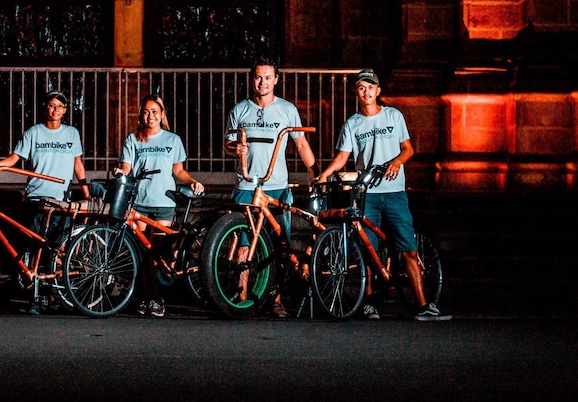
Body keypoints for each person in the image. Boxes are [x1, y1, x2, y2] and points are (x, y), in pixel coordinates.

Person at [317, 69, 452, 321]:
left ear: (378, 91)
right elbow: (342, 157)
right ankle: (369, 304)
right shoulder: (352, 124)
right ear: (356, 92)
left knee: (408, 249)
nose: (366, 91)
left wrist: (397, 162)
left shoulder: (394, 116)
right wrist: (324, 175)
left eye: (371, 87)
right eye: (361, 87)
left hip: (395, 192)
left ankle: (423, 305)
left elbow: (408, 149)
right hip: (367, 194)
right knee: (368, 250)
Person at [0, 90, 90, 313]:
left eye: (60, 106)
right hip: (36, 199)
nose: (55, 109)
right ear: (45, 108)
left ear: (66, 110)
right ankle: (35, 298)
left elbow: (78, 165)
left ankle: (54, 296)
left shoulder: (71, 133)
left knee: (57, 251)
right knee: (33, 249)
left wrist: (86, 193)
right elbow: (14, 159)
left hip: (60, 201)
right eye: (51, 105)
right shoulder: (33, 133)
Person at [225, 57, 318, 317]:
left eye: (267, 77)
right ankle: (242, 299)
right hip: (247, 186)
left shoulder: (287, 110)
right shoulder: (240, 109)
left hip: (277, 187)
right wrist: (236, 148)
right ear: (251, 79)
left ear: (276, 79)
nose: (262, 82)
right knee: (244, 245)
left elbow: (301, 145)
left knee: (279, 245)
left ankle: (275, 299)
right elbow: (228, 144)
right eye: (258, 77)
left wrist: (316, 174)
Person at [114, 94, 204, 317]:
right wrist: (120, 172)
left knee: (157, 253)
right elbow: (127, 167)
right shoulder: (133, 139)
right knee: (142, 253)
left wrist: (193, 182)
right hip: (139, 203)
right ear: (140, 115)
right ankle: (149, 299)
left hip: (164, 202)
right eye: (146, 111)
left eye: (155, 111)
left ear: (162, 114)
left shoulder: (172, 140)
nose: (150, 115)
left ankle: (153, 298)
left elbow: (178, 170)